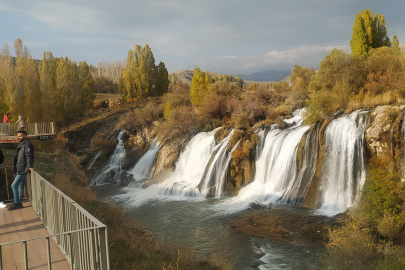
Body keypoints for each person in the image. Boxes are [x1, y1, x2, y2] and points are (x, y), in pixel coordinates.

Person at [8, 130, 34, 211]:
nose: (18, 137)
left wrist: (29, 167)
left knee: (14, 185)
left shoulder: (27, 144)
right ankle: (19, 202)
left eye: (20, 136)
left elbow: (29, 156)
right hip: (20, 167)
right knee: (20, 185)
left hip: (23, 168)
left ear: (25, 136)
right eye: (18, 136)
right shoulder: (22, 144)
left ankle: (17, 203)